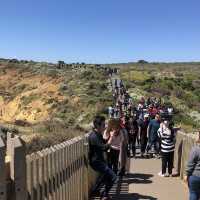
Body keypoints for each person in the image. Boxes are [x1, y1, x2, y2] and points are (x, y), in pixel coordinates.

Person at [88, 116, 117, 200]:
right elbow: (104, 147)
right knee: (114, 177)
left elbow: (104, 142)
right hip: (96, 162)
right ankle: (104, 195)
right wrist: (111, 138)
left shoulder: (97, 134)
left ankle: (96, 191)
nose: (105, 127)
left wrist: (110, 136)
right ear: (98, 125)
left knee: (104, 176)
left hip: (99, 161)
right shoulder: (93, 136)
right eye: (104, 125)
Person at [185, 131, 200, 200]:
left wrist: (186, 174)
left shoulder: (196, 149)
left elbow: (190, 164)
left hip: (195, 176)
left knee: (193, 193)